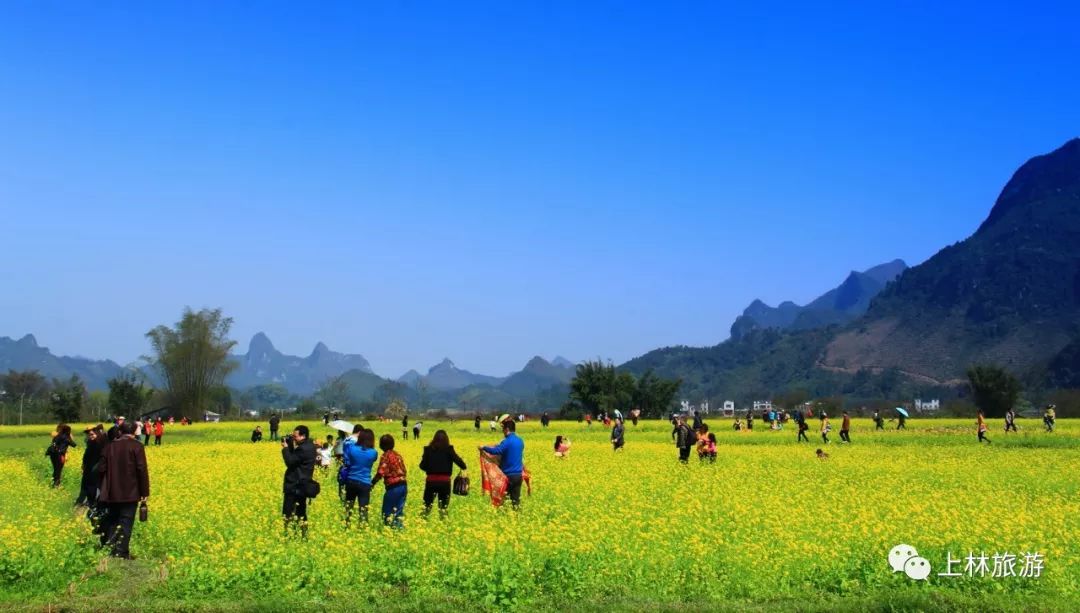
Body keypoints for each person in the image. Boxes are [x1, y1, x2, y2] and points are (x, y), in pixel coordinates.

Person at [97, 421, 150, 559]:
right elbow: (141, 470)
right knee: (126, 522)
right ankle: (121, 551)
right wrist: (144, 492)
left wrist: (102, 486)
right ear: (134, 432)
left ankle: (111, 548)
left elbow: (101, 468)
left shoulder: (109, 447)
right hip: (131, 492)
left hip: (111, 491)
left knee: (113, 520)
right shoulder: (137, 446)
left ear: (120, 431)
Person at [419, 430, 467, 519]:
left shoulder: (428, 450)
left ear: (434, 439)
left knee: (426, 506)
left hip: (431, 482)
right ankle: (444, 523)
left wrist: (431, 468)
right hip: (444, 483)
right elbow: (462, 465)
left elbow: (422, 466)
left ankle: (421, 524)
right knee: (443, 508)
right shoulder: (449, 450)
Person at [480, 419, 526, 509]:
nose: (503, 432)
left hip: (508, 476)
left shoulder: (506, 441)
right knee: (516, 500)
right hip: (518, 475)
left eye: (503, 430)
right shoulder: (520, 441)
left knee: (503, 501)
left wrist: (484, 447)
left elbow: (497, 451)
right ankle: (516, 517)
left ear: (507, 429)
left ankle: (506, 517)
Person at [281, 425, 317, 536]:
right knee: (301, 512)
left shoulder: (303, 449)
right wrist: (291, 445)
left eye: (295, 436)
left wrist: (285, 448)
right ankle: (302, 535)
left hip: (295, 485)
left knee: (288, 512)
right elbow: (296, 459)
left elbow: (290, 462)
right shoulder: (309, 446)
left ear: (303, 436)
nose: (294, 438)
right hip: (303, 485)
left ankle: (288, 534)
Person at [341, 428, 378, 526]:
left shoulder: (352, 449)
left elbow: (347, 461)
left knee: (348, 507)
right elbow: (373, 460)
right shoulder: (373, 453)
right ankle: (363, 528)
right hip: (365, 483)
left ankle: (346, 525)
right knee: (363, 509)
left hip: (351, 480)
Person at [372, 434, 408, 528]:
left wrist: (372, 483)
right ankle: (399, 533)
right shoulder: (398, 455)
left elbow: (381, 472)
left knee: (387, 512)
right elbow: (404, 471)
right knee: (398, 512)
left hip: (393, 487)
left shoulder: (385, 455)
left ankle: (388, 532)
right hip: (403, 485)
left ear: (381, 445)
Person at [75, 426, 105, 507]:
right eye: (88, 434)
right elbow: (86, 456)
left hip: (95, 469)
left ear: (97, 433)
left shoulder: (100, 443)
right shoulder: (90, 443)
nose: (90, 436)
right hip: (88, 468)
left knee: (92, 486)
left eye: (92, 434)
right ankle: (82, 502)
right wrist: (83, 465)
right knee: (85, 486)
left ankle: (90, 503)